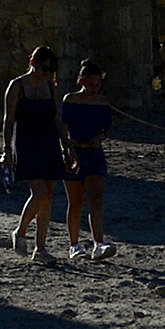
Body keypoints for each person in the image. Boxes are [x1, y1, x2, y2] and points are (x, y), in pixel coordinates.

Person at [0, 44, 71, 256]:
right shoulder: (17, 86)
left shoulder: (50, 87)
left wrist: (68, 146)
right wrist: (6, 149)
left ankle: (40, 247)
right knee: (39, 194)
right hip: (27, 143)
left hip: (49, 142)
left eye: (51, 70)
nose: (47, 73)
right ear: (33, 63)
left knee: (48, 195)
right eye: (44, 68)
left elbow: (57, 118)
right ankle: (20, 232)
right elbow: (8, 120)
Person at [59, 57, 117, 258]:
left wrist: (101, 136)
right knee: (75, 202)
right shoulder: (70, 100)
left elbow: (108, 128)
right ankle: (74, 244)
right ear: (82, 82)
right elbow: (63, 126)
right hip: (75, 152)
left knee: (96, 198)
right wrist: (67, 148)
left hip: (95, 153)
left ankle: (98, 242)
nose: (95, 88)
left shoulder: (102, 102)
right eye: (91, 84)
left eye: (98, 84)